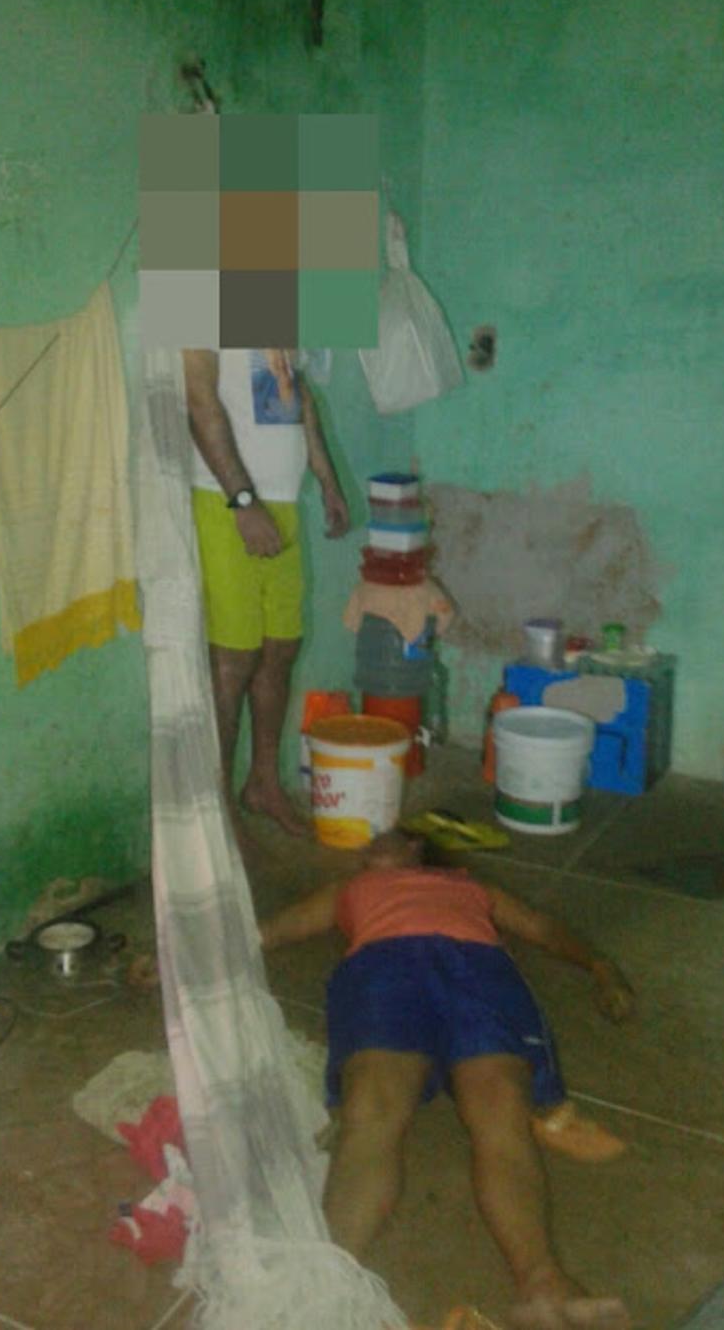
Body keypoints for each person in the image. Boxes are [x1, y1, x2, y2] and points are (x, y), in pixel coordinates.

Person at [259, 831, 635, 1330]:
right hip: (383, 972)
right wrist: (178, 961)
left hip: (477, 971)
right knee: (371, 1110)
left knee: (501, 1107)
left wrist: (602, 967)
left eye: (383, 838)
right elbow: (267, 932)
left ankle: (543, 1280)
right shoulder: (348, 889)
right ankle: (325, 1283)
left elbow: (539, 926)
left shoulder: (468, 884)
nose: (367, 847)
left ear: (416, 846)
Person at [183, 348, 350, 840]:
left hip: (283, 501)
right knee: (233, 659)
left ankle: (263, 785)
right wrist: (242, 501)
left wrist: (327, 478)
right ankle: (215, 808)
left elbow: (300, 394)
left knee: (280, 648)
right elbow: (198, 401)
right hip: (224, 503)